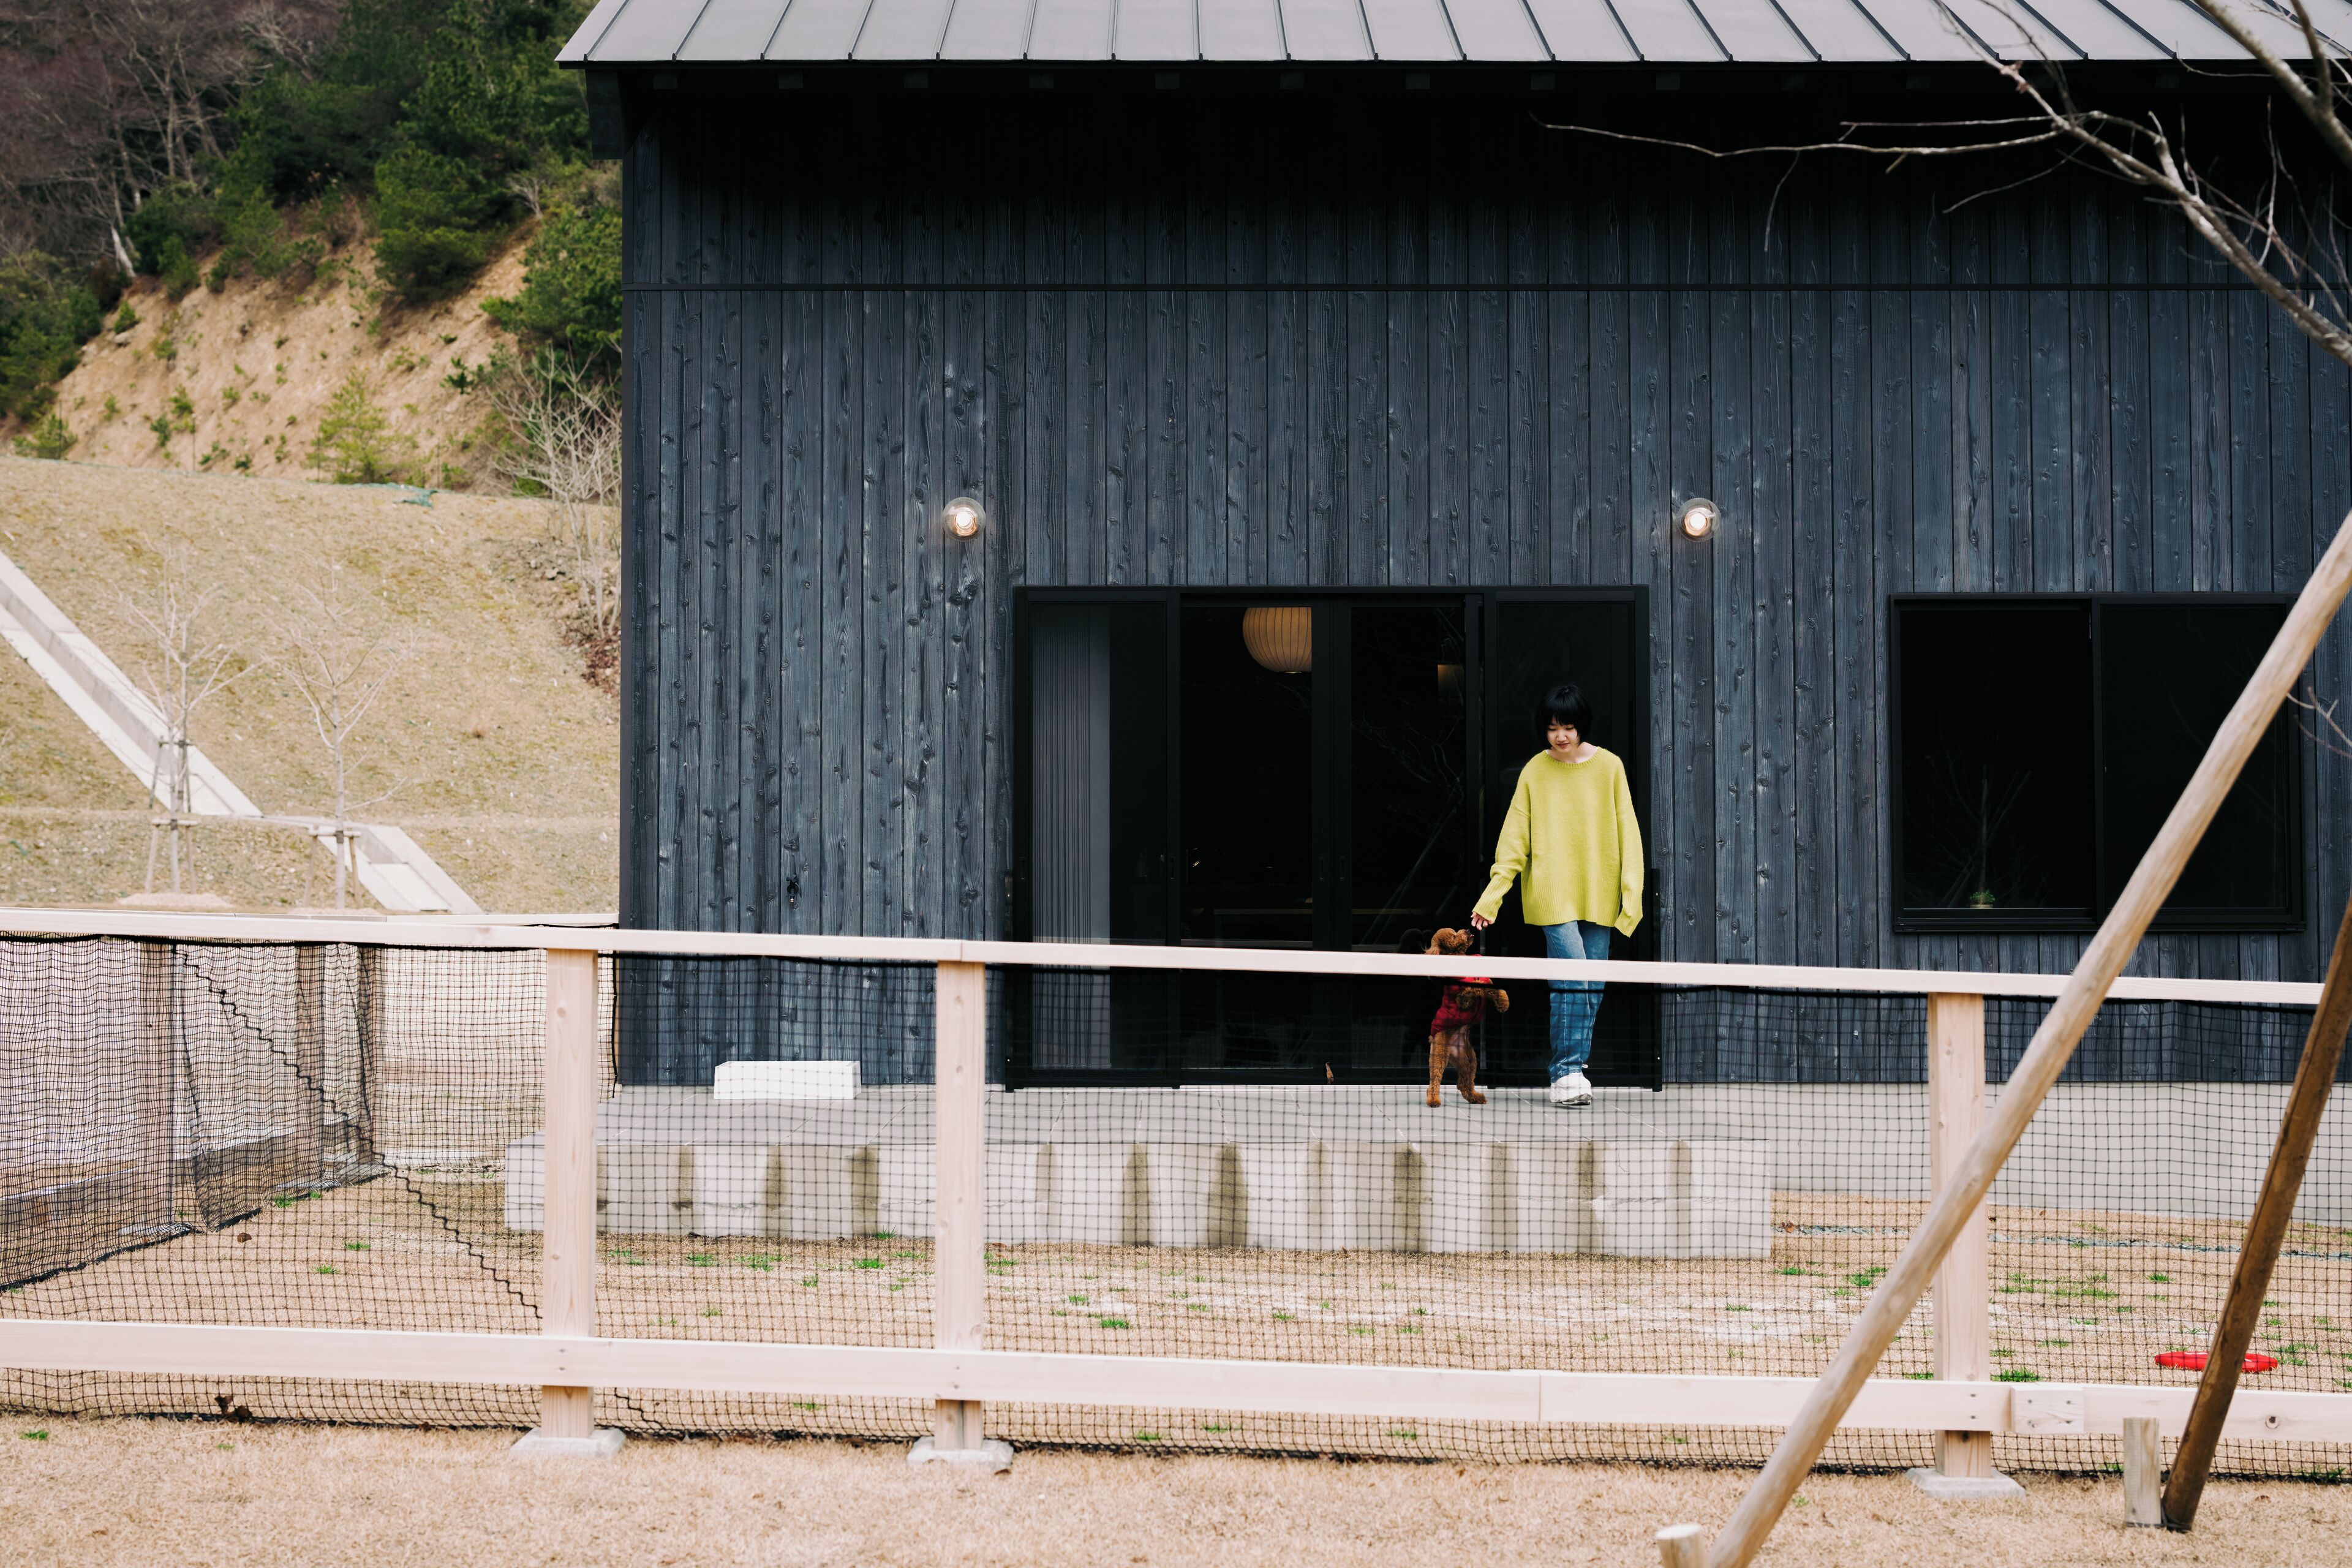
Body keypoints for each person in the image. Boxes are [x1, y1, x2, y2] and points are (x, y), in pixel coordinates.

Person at [1468, 684, 1643, 1107]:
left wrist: (1631, 898)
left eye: (1567, 727)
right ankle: (1566, 1073)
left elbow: (1630, 835)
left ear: (1581, 725)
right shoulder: (1534, 771)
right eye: (1552, 728)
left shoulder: (1610, 768)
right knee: (1573, 978)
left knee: (1594, 985)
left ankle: (1573, 1071)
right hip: (1551, 890)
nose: (1560, 736)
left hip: (1600, 891)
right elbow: (1514, 840)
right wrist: (1492, 898)